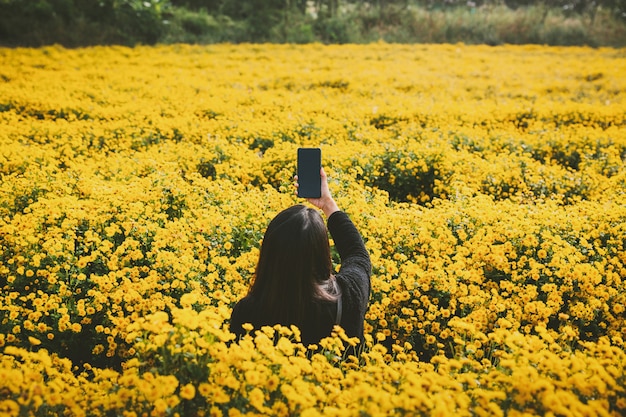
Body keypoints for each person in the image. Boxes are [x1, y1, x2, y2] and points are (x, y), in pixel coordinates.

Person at [229, 167, 371, 350]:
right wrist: (328, 204)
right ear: (323, 251)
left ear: (269, 254)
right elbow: (358, 255)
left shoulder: (248, 312)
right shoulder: (348, 294)